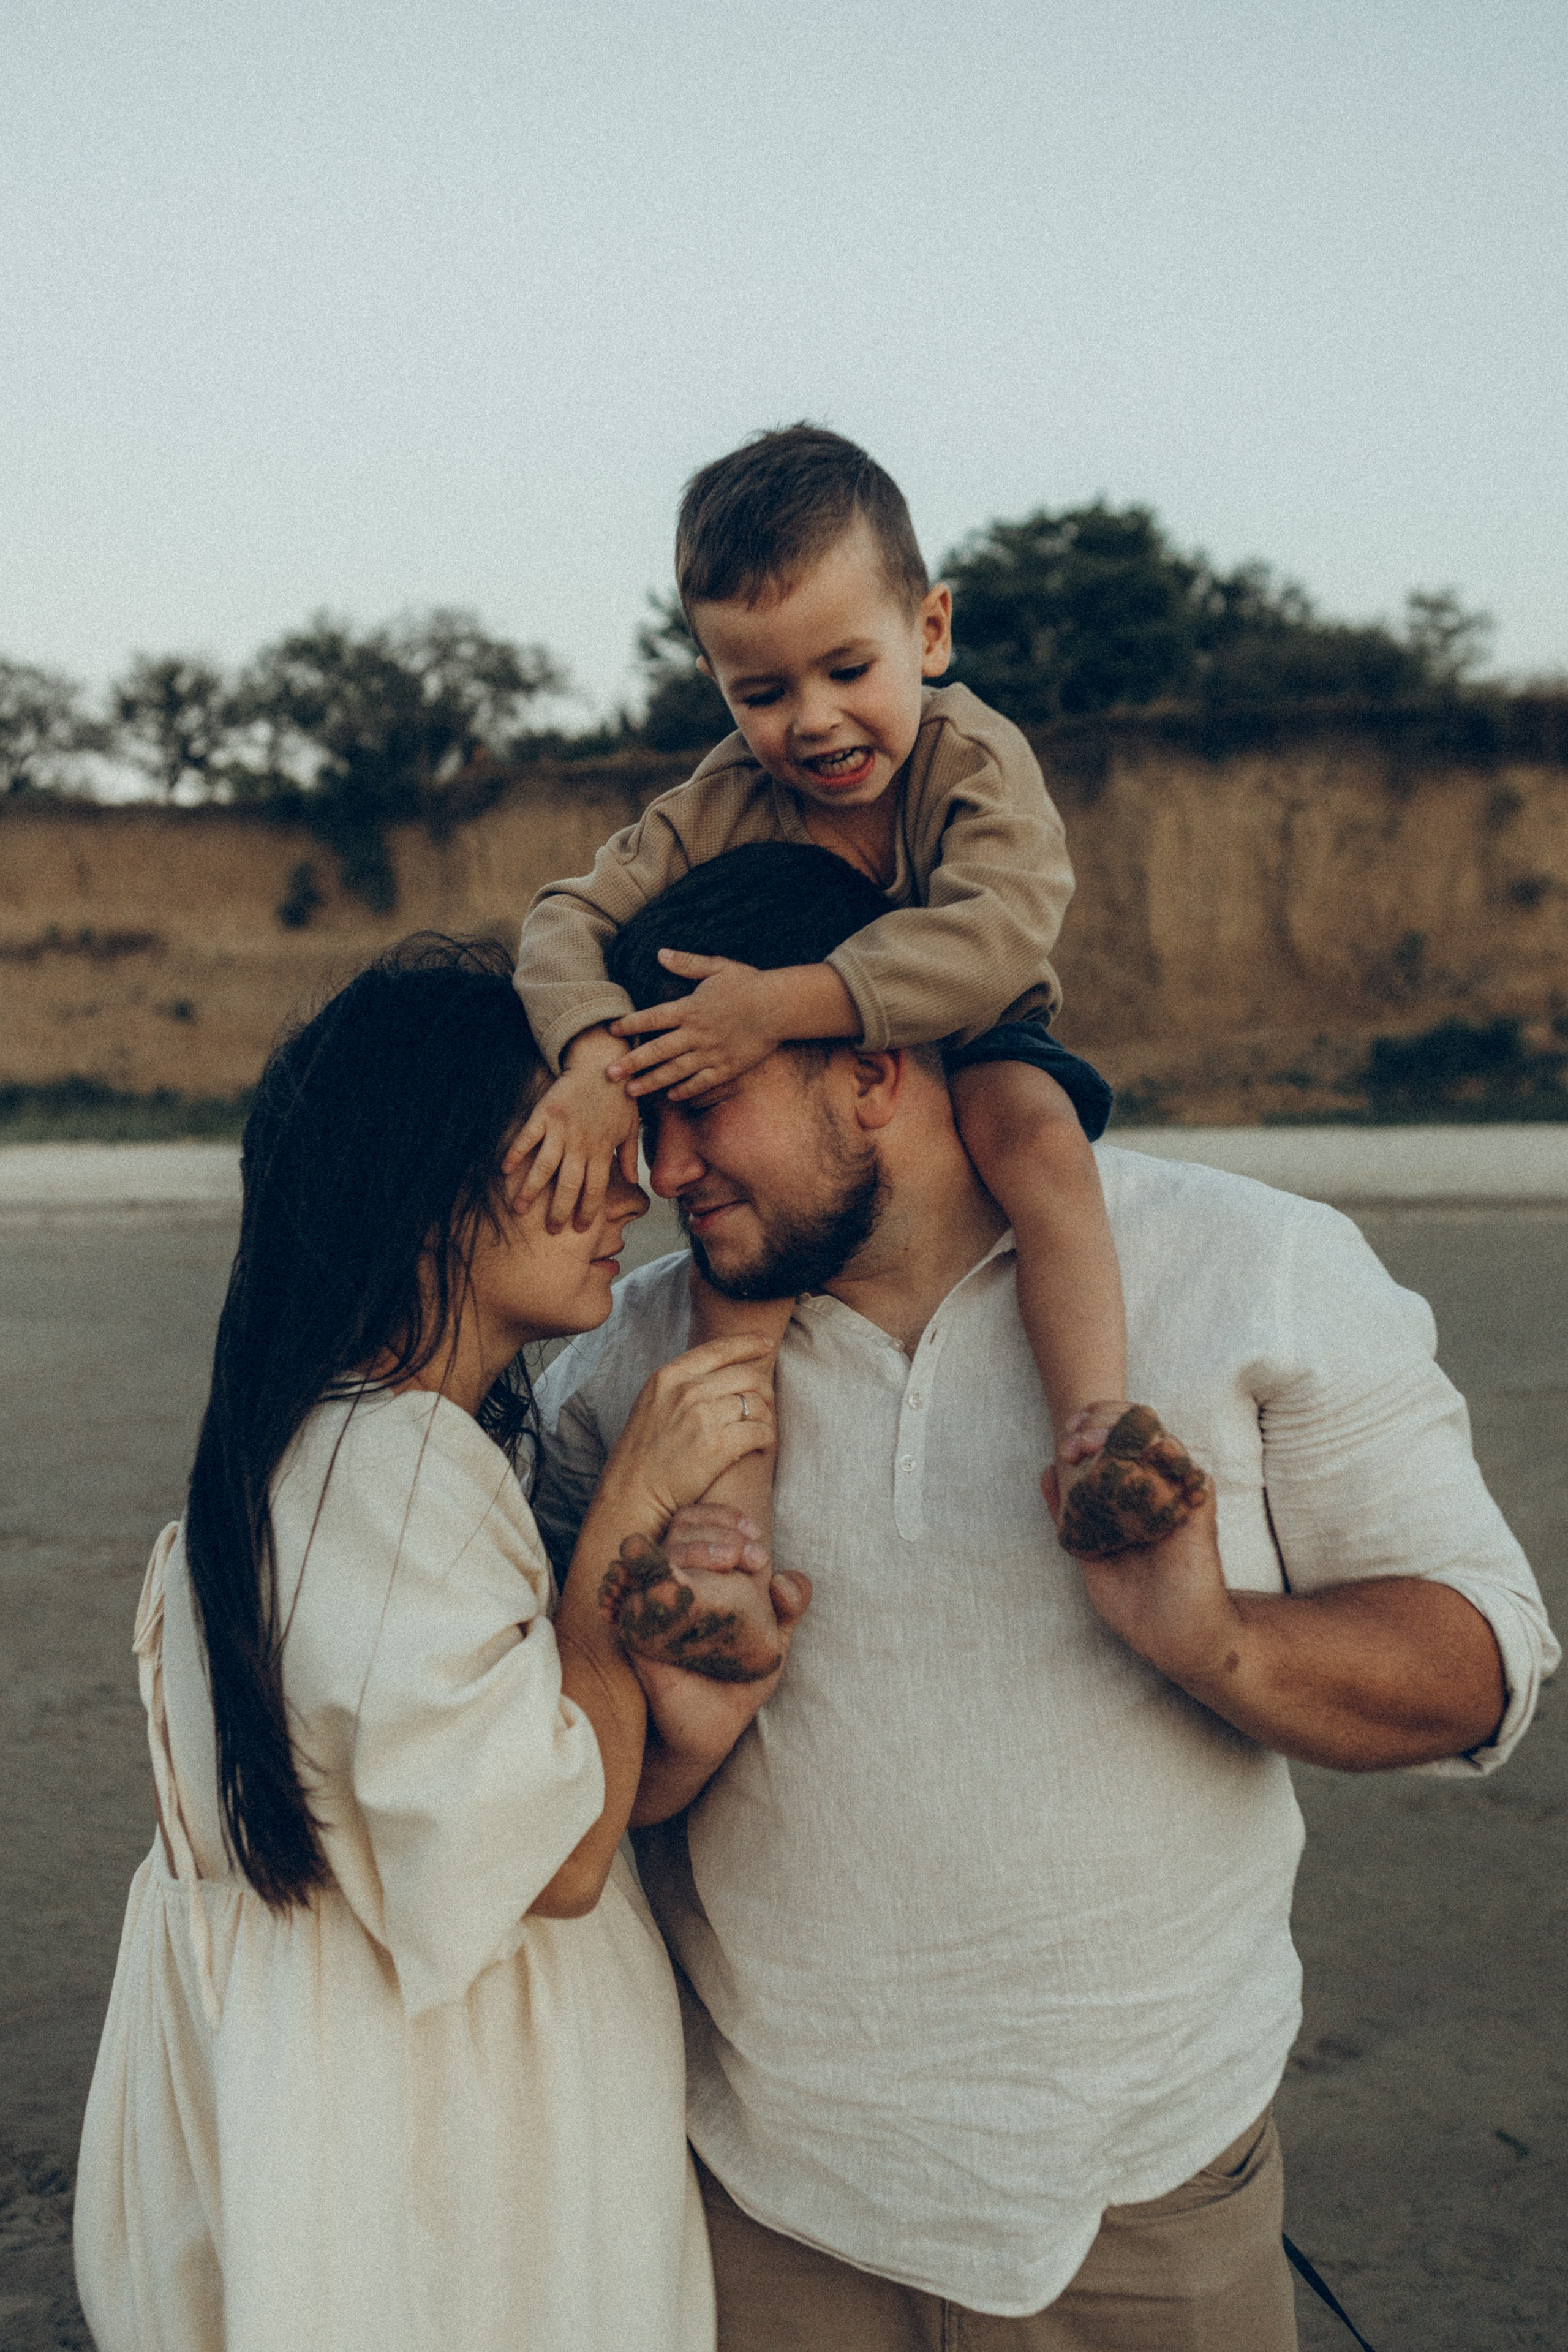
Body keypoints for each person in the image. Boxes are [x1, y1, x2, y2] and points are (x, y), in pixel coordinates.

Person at [531, 845, 1561, 2352]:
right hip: (758, 2211)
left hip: (1143, 2199)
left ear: (873, 1064)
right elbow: (565, 1799)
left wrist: (1211, 1640)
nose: (661, 1173)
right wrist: (679, 1730)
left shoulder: (1255, 1268)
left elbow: (1480, 1663)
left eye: (697, 1106)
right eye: (641, 1121)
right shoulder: (615, 1376)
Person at [72, 937, 810, 2352]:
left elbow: (478, 1797)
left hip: (364, 2119)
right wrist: (622, 1530)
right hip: (430, 2172)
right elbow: (554, 1861)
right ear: (424, 1191)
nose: (632, 1184)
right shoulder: (391, 1474)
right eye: (569, 1143)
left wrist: (681, 1715)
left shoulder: (335, 1454)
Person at [508, 421, 1199, 1571]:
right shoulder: (716, 800)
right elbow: (563, 921)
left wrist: (781, 1006)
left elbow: (996, 933)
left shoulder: (973, 760)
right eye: (763, 691)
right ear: (714, 683)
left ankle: (1095, 1430)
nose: (814, 719)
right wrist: (590, 1060)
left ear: (928, 632)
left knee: (1034, 1142)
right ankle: (731, 1529)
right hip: (806, 1097)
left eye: (847, 670)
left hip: (977, 1035)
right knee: (748, 1270)